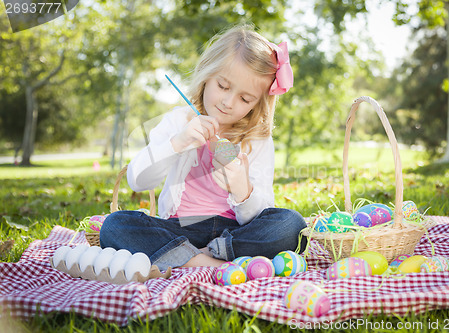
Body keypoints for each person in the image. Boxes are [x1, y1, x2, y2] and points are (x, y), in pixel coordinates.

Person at [100, 25, 307, 270]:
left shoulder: (257, 139)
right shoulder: (178, 121)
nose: (228, 103)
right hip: (179, 228)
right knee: (115, 226)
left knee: (292, 225)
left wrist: (243, 190)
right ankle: (209, 262)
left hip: (234, 234)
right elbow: (138, 181)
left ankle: (193, 257)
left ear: (257, 103)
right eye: (223, 86)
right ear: (207, 74)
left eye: (245, 99)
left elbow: (261, 214)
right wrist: (178, 143)